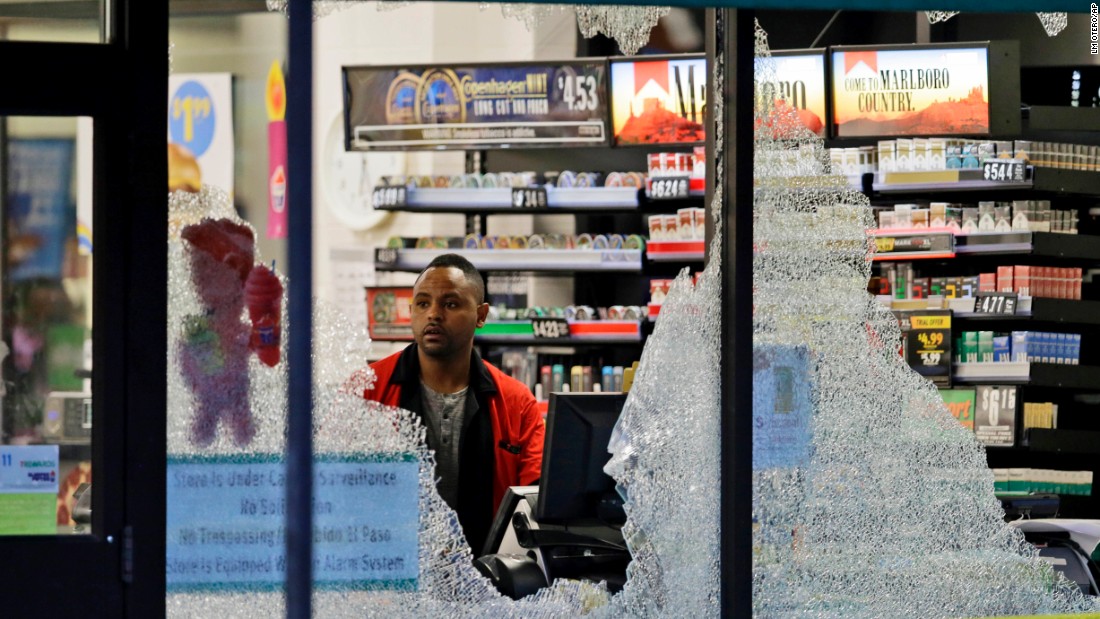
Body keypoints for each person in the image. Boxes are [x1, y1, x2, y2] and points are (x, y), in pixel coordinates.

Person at [356, 253, 544, 555]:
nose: (433, 314)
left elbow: (536, 502)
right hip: (389, 579)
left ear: (481, 315)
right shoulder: (365, 390)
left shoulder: (517, 403)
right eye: (422, 303)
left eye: (450, 304)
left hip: (489, 582)